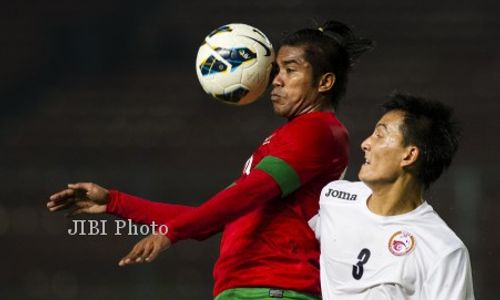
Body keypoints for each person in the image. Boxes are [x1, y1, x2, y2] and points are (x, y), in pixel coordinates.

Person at [47, 20, 374, 300]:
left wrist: (171, 233)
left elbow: (250, 192)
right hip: (249, 288)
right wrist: (115, 202)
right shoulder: (288, 138)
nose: (275, 79)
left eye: (290, 70)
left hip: (274, 289)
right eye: (276, 69)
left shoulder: (318, 132)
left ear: (325, 82)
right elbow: (217, 215)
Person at [309, 92, 474, 299]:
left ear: (409, 155)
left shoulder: (443, 251)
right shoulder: (333, 198)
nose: (366, 143)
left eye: (380, 134)